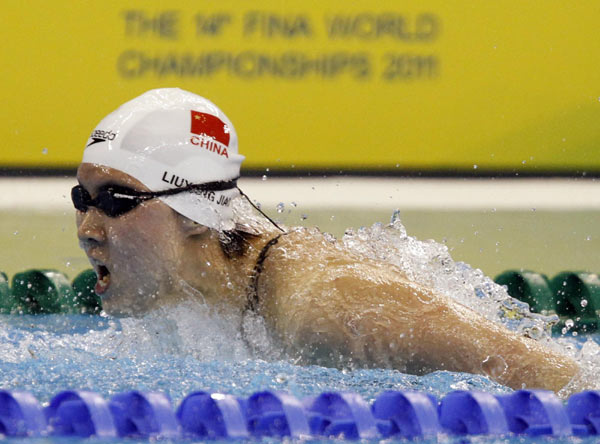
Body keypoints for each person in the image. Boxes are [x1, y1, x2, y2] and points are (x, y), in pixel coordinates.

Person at [75, 88, 583, 394]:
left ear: (197, 214)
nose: (88, 229)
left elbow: (552, 378)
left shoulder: (322, 304)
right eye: (83, 198)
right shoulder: (201, 302)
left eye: (116, 201)